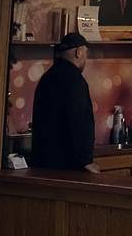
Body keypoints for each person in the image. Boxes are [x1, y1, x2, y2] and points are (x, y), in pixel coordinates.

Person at [31, 33, 99, 172]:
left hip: (43, 163)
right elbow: (79, 120)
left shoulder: (47, 78)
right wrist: (85, 160)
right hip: (68, 166)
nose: (86, 58)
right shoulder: (75, 80)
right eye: (86, 53)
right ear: (78, 52)